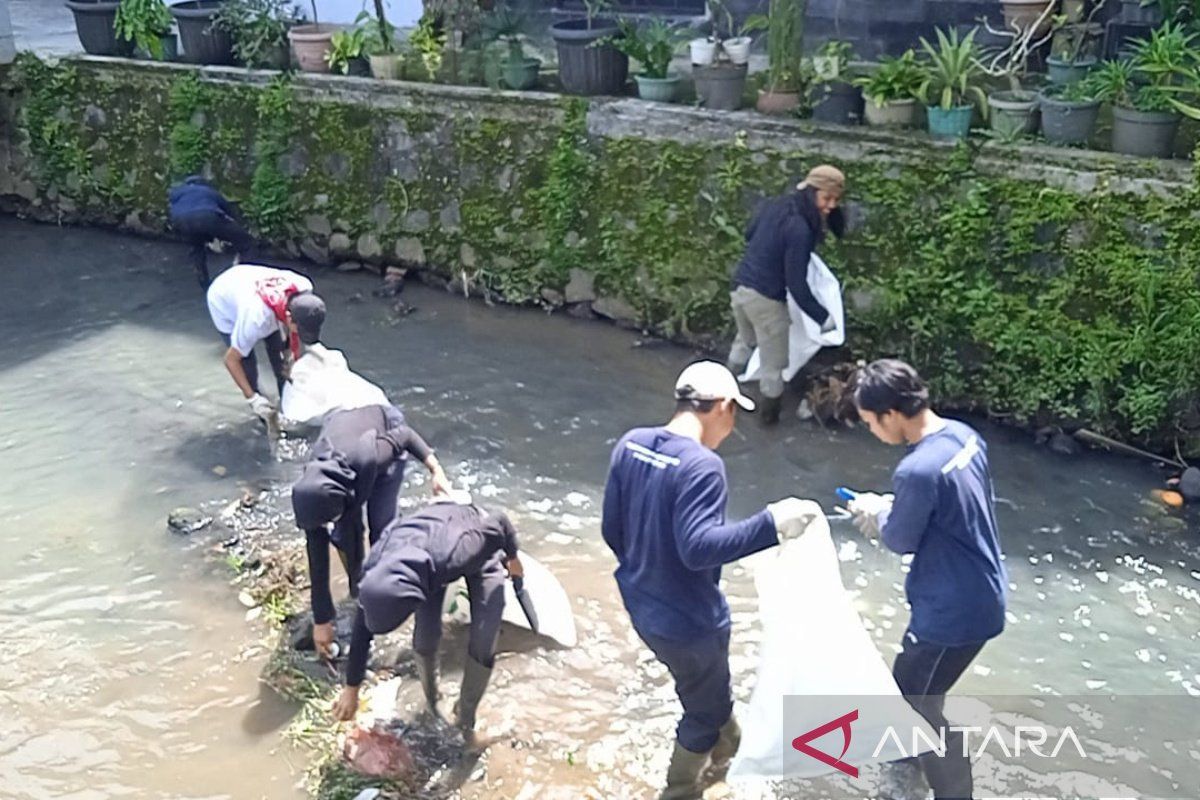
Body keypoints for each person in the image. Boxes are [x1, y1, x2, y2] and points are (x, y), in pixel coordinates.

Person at [601, 360, 822, 800]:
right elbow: (698, 548)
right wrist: (771, 524)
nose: (732, 424)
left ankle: (733, 757)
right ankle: (679, 790)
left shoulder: (631, 445)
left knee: (710, 695)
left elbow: (613, 530)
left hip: (643, 606)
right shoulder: (702, 465)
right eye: (734, 412)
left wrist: (649, 571)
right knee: (702, 715)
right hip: (689, 620)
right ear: (720, 406)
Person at [846, 359, 1008, 800]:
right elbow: (946, 509)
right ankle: (904, 779)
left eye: (869, 422)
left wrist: (877, 514)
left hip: (949, 613)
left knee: (911, 704)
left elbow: (900, 539)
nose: (872, 432)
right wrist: (891, 508)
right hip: (983, 592)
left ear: (891, 415)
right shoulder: (963, 437)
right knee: (918, 698)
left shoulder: (915, 470)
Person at [332, 496, 525, 746]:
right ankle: (433, 704)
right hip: (420, 553)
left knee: (484, 638)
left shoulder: (461, 550)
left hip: (473, 544)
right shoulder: (374, 573)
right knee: (425, 639)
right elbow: (363, 626)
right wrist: (352, 689)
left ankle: (465, 719)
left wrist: (513, 557)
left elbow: (500, 521)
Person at [291, 404, 452, 659]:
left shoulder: (372, 455)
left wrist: (436, 471)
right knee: (344, 537)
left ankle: (388, 595)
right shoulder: (313, 490)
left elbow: (407, 436)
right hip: (344, 442)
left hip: (382, 433)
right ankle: (359, 591)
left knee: (383, 532)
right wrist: (322, 619)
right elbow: (317, 556)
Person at [725, 165, 847, 425]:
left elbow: (749, 234)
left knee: (744, 342)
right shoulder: (800, 228)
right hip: (766, 300)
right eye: (826, 198)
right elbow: (796, 284)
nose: (830, 206)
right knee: (774, 367)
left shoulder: (774, 205)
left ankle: (715, 395)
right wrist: (824, 318)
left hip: (740, 289)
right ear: (811, 191)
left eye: (835, 200)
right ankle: (768, 424)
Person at [205, 263, 325, 421]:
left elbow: (290, 330)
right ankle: (264, 414)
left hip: (251, 282)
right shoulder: (256, 320)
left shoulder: (304, 288)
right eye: (300, 330)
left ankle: (287, 407)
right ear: (288, 317)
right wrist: (252, 399)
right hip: (222, 299)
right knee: (248, 367)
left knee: (281, 360)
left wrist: (288, 354)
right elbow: (231, 360)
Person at [167, 176, 255, 289]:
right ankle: (243, 276)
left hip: (180, 221)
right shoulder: (209, 191)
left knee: (197, 248)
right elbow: (228, 211)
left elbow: (174, 210)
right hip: (207, 216)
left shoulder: (177, 193)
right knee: (247, 243)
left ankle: (204, 283)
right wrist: (238, 228)